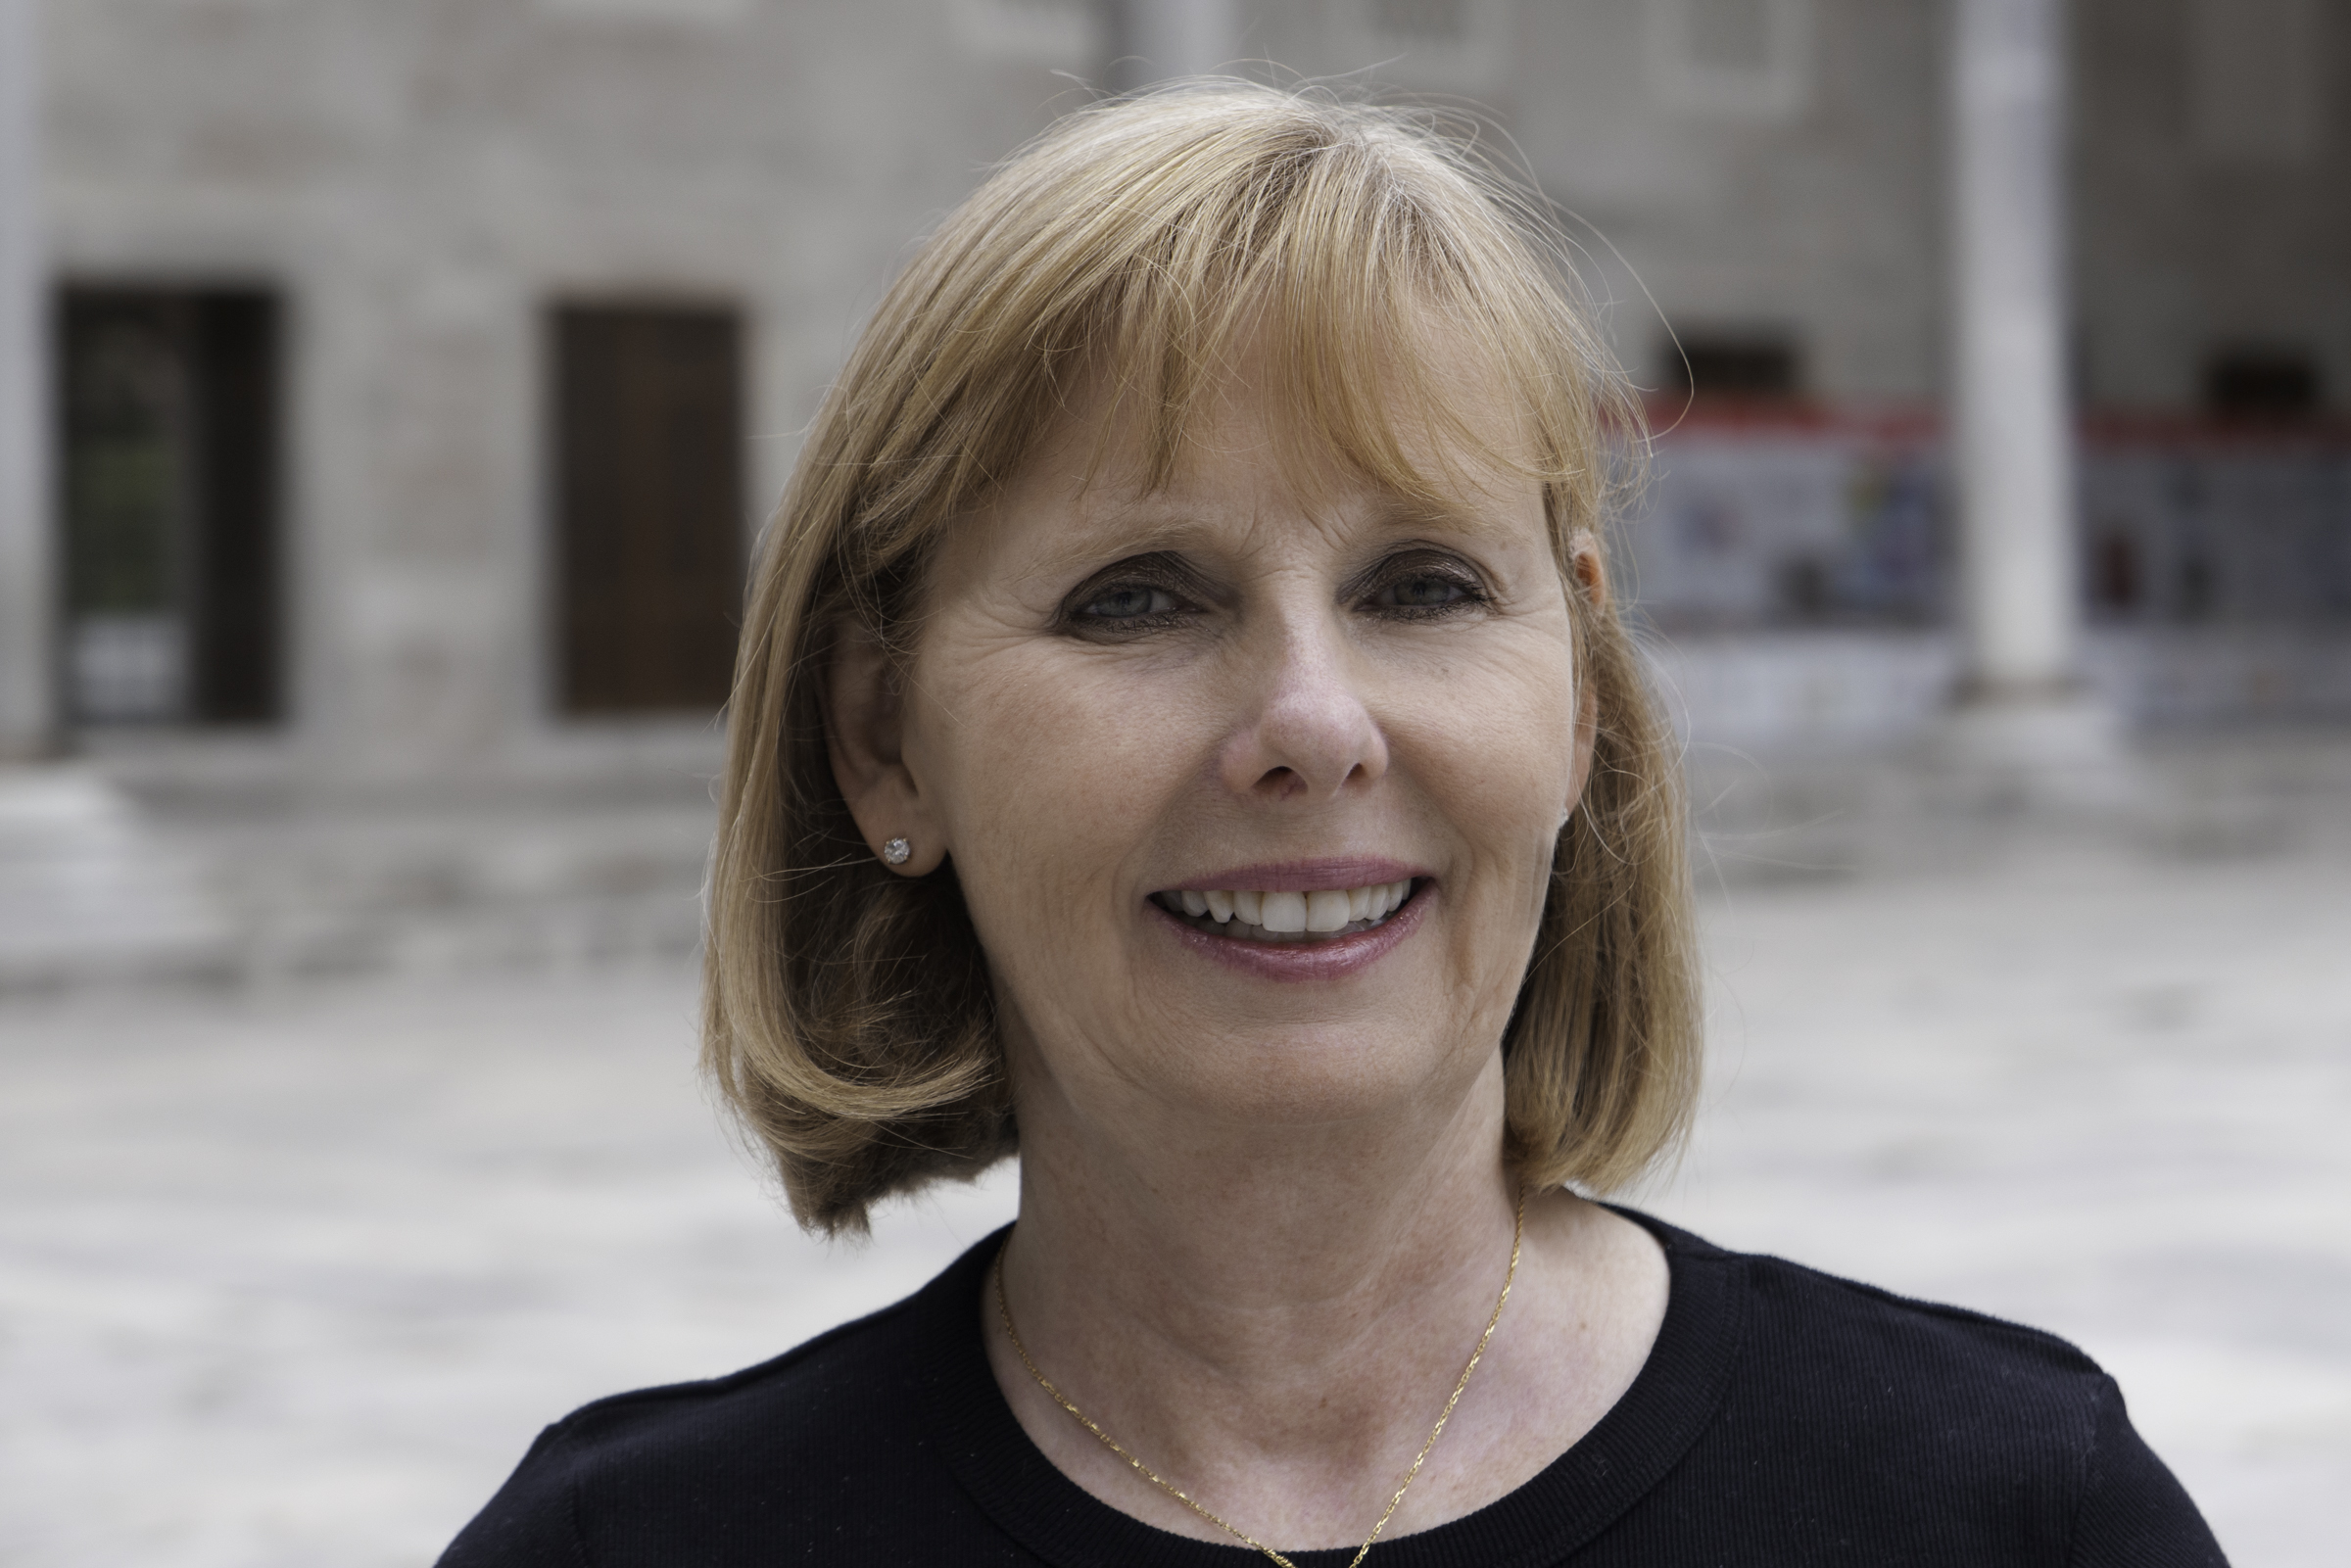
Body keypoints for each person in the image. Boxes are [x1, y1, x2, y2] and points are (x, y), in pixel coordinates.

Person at [439, 84, 2224, 1566]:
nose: (1310, 721)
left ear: (1581, 694)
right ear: (883, 738)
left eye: (1424, 585)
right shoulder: (625, 1551)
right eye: (1138, 597)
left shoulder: (2014, 1517)